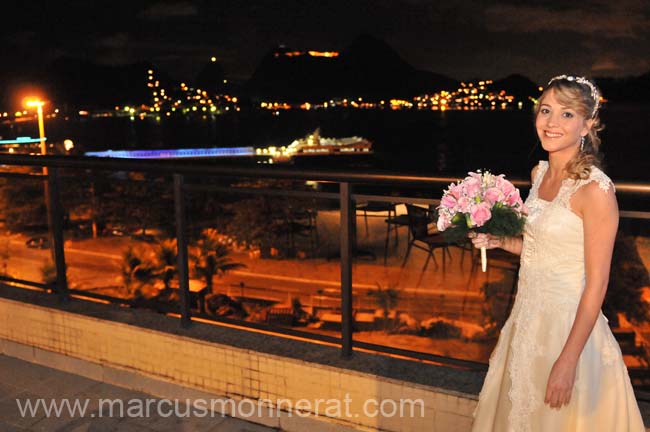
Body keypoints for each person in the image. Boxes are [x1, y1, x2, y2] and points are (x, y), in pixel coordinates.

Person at [469, 75, 645, 431]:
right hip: (526, 320)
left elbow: (597, 285)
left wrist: (567, 361)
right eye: (546, 110)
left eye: (567, 114)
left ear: (588, 124)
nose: (551, 123)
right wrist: (503, 242)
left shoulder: (596, 190)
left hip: (568, 330)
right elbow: (542, 251)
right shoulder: (540, 173)